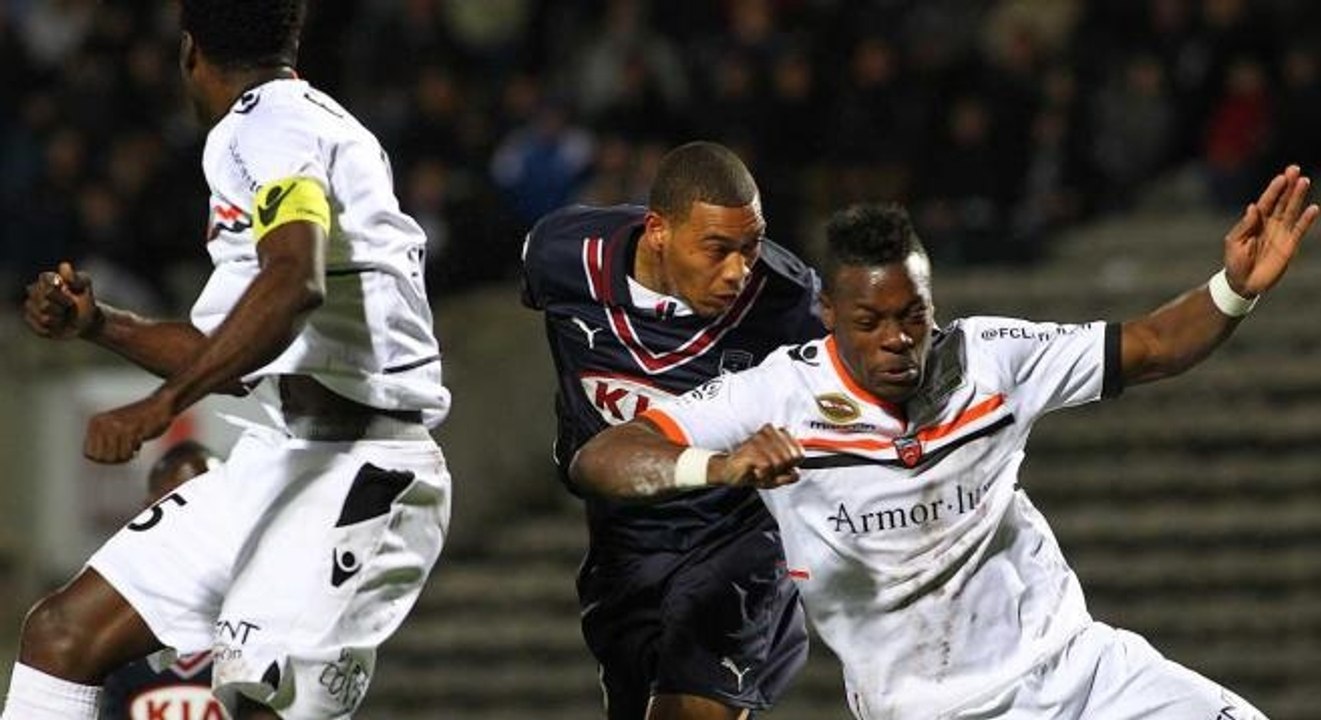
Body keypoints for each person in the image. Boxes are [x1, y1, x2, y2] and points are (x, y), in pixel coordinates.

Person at [570, 167, 1317, 719]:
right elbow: (600, 458)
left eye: (912, 316)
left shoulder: (990, 356)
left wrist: (1233, 287)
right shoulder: (773, 393)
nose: (897, 340)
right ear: (828, 313)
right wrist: (717, 465)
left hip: (1082, 673)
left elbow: (1151, 344)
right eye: (870, 323)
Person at [5, 1, 452, 718]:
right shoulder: (315, 126)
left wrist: (162, 406)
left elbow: (292, 281)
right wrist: (101, 324)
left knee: (253, 704)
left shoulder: (263, 129)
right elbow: (243, 348)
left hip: (359, 472)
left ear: (189, 53)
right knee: (61, 635)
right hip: (284, 455)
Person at [520, 140, 823, 720]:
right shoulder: (559, 255)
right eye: (717, 250)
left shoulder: (789, 304)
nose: (738, 271)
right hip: (624, 540)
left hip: (733, 542)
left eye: (750, 248)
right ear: (657, 231)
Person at [98, 440, 256, 720]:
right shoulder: (116, 614)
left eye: (208, 502)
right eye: (180, 502)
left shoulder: (264, 614)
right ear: (149, 513)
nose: (194, 519)